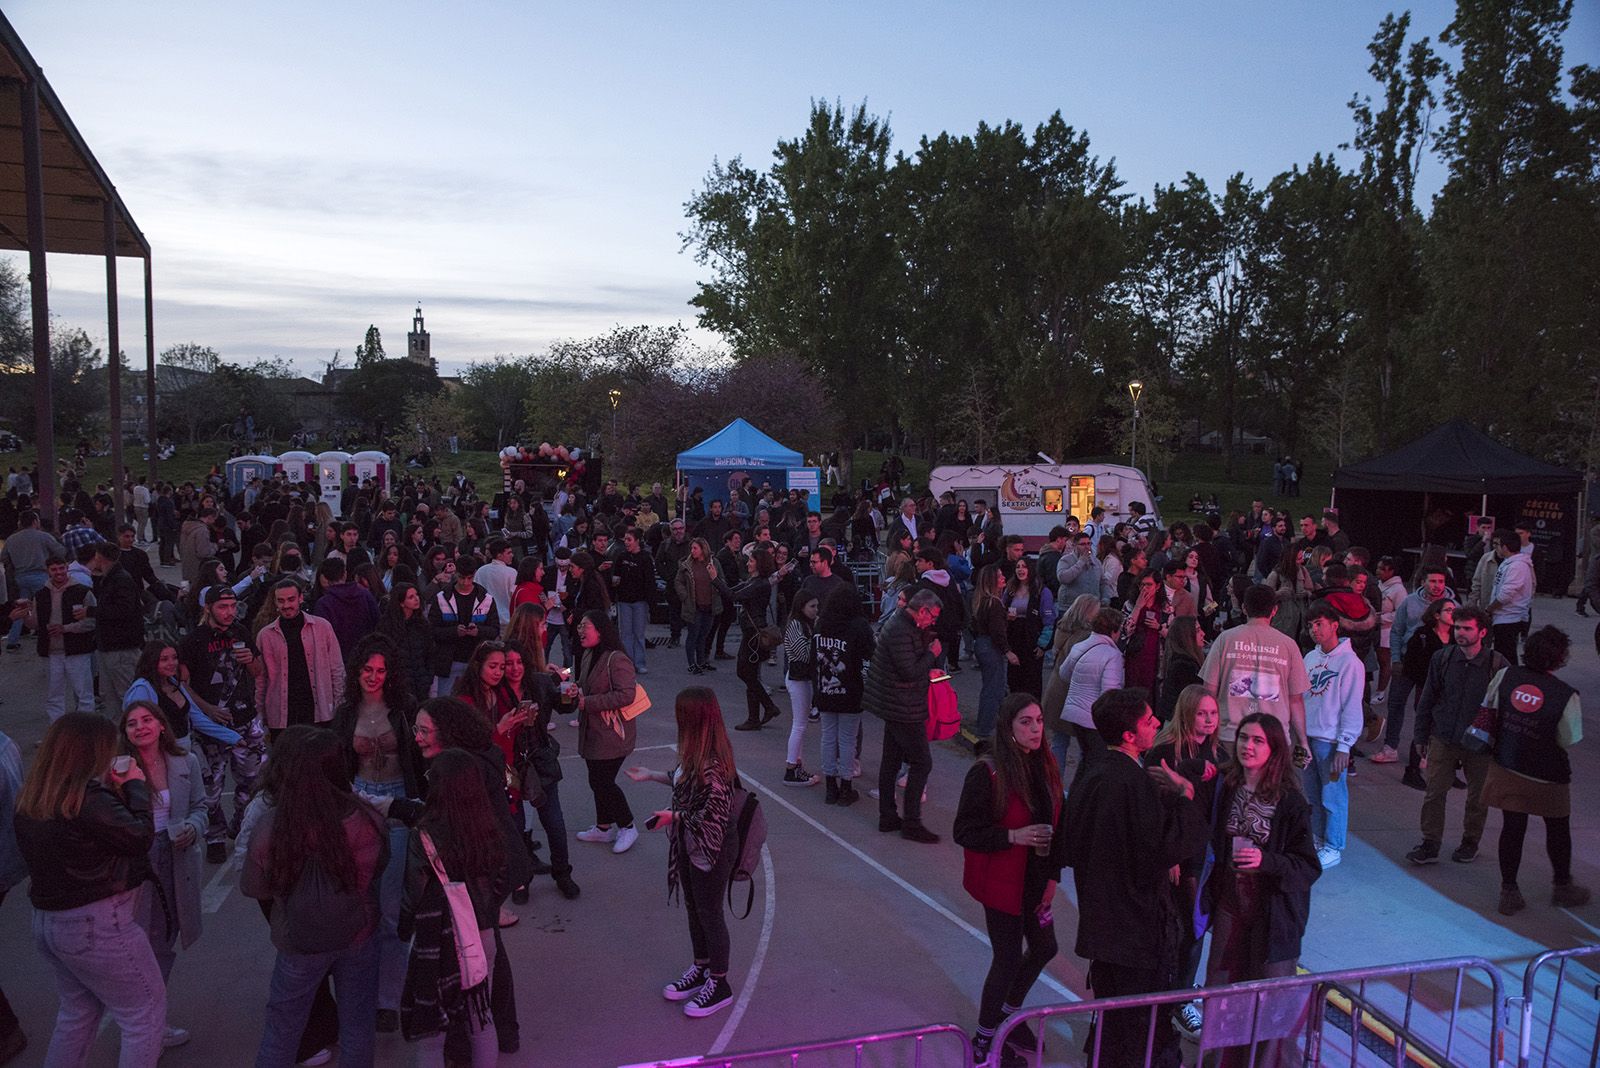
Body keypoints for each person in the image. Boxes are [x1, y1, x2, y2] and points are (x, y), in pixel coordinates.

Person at [1061, 688, 1205, 1068]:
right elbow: (1162, 849)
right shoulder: (1130, 783)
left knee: (1112, 1022)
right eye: (1148, 721)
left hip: (1103, 927)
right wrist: (1185, 797)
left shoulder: (1093, 773)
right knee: (1139, 1028)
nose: (1157, 723)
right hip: (1135, 933)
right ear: (1128, 735)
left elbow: (1072, 843)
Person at [14, 713, 165, 1067]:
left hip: (50, 920)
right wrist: (135, 786)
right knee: (143, 1013)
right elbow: (139, 836)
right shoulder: (88, 799)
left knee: (77, 1012)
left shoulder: (35, 798)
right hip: (97, 922)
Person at [240, 726, 387, 1068]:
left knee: (282, 1031)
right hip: (359, 933)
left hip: (298, 940)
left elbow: (252, 887)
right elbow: (378, 868)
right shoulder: (367, 819)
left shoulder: (272, 825)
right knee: (357, 1026)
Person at [1200, 713, 1321, 1068]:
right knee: (1223, 987)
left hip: (1274, 913)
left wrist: (1266, 861)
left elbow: (1308, 866)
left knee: (1270, 999)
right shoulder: (1227, 785)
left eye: (1257, 741)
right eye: (1243, 738)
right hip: (1231, 901)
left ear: (1274, 749)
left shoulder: (1290, 801)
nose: (1247, 746)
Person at [954, 693, 1066, 1068]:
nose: (1036, 729)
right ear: (1008, 728)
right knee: (1007, 958)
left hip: (1035, 881)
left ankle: (1007, 1016)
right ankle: (984, 1042)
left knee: (1045, 947)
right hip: (1003, 883)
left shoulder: (1047, 766)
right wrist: (1013, 836)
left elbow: (1058, 827)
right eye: (1025, 722)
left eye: (1039, 721)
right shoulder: (988, 773)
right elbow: (965, 831)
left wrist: (1053, 877)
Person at [626, 687, 742, 1019]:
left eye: (681, 713)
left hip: (712, 849)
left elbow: (712, 816)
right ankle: (702, 966)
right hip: (691, 843)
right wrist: (652, 776)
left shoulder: (714, 763)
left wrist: (673, 817)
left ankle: (719, 982)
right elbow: (682, 780)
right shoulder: (695, 752)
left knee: (710, 913)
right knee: (695, 908)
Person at [331, 634, 423, 1033]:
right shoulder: (346, 713)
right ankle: (358, 989)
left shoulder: (404, 708)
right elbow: (338, 768)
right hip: (360, 806)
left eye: (381, 671)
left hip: (399, 805)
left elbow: (422, 753)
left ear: (391, 674)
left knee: (389, 908)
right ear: (356, 672)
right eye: (367, 669)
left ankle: (388, 998)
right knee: (357, 903)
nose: (373, 676)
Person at [398, 749, 509, 1065]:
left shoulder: (424, 834)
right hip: (480, 935)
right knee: (480, 1017)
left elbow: (413, 892)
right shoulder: (489, 827)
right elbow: (502, 878)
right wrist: (487, 910)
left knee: (432, 1033)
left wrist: (405, 927)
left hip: (435, 939)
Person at [1479, 626, 1588, 915]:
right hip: (1548, 774)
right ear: (1559, 658)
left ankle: (1509, 891)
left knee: (1512, 829)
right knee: (1558, 829)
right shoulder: (1565, 695)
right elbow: (1569, 738)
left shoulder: (1506, 675)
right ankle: (1562, 886)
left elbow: (1490, 706)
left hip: (1507, 765)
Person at [119, 701, 207, 1048]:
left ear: (161, 726)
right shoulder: (118, 769)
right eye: (131, 723)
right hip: (137, 864)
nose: (140, 727)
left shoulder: (186, 761)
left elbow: (201, 807)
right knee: (137, 942)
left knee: (165, 938)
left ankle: (151, 1021)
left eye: (146, 720)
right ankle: (142, 1027)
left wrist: (193, 828)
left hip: (176, 858)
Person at [1146, 684, 1224, 1036]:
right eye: (1201, 713)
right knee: (1188, 927)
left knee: (1196, 926)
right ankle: (1177, 999)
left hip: (1206, 854)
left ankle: (1179, 991)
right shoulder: (1164, 753)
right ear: (1186, 714)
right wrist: (1170, 856)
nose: (1208, 720)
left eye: (1213, 713)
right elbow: (1156, 811)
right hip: (1181, 854)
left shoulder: (1218, 752)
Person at [176, 585, 266, 861]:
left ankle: (240, 822)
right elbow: (182, 683)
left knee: (252, 780)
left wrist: (250, 660)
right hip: (212, 728)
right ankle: (214, 835)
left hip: (245, 719)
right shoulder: (193, 641)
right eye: (223, 607)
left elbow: (258, 670)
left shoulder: (241, 632)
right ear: (208, 608)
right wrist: (207, 709)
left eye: (233, 606)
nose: (229, 612)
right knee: (211, 789)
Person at [865, 589, 943, 844]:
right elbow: (909, 671)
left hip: (895, 703)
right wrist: (932, 654)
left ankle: (888, 816)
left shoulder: (900, 624)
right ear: (923, 611)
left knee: (891, 761)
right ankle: (911, 822)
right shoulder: (901, 629)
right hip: (903, 705)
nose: (933, 622)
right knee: (921, 762)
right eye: (933, 616)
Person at [1200, 583, 1311, 762]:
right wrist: (1303, 741)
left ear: (1244, 608)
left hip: (1230, 735)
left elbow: (1209, 691)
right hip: (1273, 737)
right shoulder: (1288, 645)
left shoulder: (1225, 639)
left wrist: (1207, 733)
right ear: (1274, 610)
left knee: (1230, 780)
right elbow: (1296, 700)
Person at [1300, 602, 1365, 870]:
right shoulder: (1310, 658)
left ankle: (1333, 845)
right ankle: (1318, 838)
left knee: (1333, 796)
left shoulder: (1350, 663)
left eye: (1319, 624)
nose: (1314, 630)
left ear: (1334, 625)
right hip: (1307, 738)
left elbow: (1351, 706)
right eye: (1310, 625)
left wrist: (1345, 745)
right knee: (1311, 795)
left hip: (1330, 741)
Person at [571, 610, 641, 854]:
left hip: (613, 734)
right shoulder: (589, 654)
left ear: (600, 630)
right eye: (579, 626)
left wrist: (588, 703)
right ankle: (603, 828)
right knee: (596, 779)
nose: (580, 630)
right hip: (594, 732)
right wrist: (573, 687)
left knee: (603, 781)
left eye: (585, 626)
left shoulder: (617, 659)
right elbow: (585, 684)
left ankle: (628, 825)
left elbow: (627, 694)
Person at [10, 554, 96, 722]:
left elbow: (92, 622)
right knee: (54, 696)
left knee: (84, 694)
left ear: (67, 568)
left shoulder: (83, 592)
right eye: (54, 569)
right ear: (47, 571)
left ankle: (86, 729)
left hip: (77, 651)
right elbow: (35, 624)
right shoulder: (41, 595)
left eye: (61, 568)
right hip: (50, 653)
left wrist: (65, 629)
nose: (58, 572)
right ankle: (56, 730)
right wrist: (25, 615)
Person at [812, 584, 876, 806]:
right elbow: (870, 653)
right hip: (850, 690)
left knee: (828, 736)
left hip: (824, 689)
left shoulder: (821, 624)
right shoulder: (858, 625)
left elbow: (814, 656)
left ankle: (831, 786)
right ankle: (846, 786)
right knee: (848, 740)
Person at [257, 579, 345, 737]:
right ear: (275, 602)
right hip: (281, 713)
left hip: (318, 709)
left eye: (291, 599)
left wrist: (338, 705)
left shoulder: (322, 627)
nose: (286, 605)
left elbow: (337, 669)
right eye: (281, 601)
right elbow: (261, 678)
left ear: (300, 598)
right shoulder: (265, 635)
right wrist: (259, 713)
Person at [1057, 609, 1126, 790]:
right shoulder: (1112, 655)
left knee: (1087, 759)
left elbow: (1063, 674)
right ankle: (1085, 797)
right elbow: (1110, 694)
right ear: (1113, 631)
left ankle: (1076, 795)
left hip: (1074, 712)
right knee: (1095, 763)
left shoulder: (1080, 646)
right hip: (1093, 718)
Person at [726, 548, 791, 733]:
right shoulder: (753, 581)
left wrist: (714, 579)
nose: (748, 563)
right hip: (752, 633)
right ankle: (755, 716)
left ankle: (767, 708)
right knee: (749, 675)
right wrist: (715, 581)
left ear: (759, 564)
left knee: (745, 673)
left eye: (751, 561)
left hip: (754, 635)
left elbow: (733, 596)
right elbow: (731, 591)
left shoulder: (759, 584)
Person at [429, 556, 500, 695]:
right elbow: (431, 630)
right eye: (462, 578)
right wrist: (454, 632)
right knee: (446, 701)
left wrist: (478, 631)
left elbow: (494, 629)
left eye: (469, 578)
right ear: (456, 574)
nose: (465, 582)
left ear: (474, 575)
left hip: (476, 660)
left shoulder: (486, 599)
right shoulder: (442, 598)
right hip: (449, 661)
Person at [87, 542, 145, 708]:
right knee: (110, 694)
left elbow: (123, 610)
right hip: (111, 645)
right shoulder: (112, 578)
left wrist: (92, 611)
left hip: (120, 647)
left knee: (126, 694)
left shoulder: (120, 580)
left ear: (100, 557)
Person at [779, 590, 822, 785]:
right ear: (801, 606)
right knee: (799, 725)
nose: (816, 610)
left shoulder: (804, 624)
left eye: (816, 606)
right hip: (798, 679)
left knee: (800, 725)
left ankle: (796, 765)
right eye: (812, 606)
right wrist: (817, 639)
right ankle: (791, 769)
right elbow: (803, 654)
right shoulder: (796, 625)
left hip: (802, 678)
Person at [970, 565, 1012, 745]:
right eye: (1000, 576)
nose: (1003, 578)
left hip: (981, 643)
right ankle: (986, 728)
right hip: (990, 646)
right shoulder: (994, 603)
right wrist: (1007, 651)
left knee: (991, 687)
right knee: (994, 688)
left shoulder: (981, 601)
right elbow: (997, 632)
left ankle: (987, 723)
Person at [376, 583, 435, 703]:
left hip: (421, 682)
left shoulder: (422, 624)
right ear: (401, 602)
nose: (416, 599)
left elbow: (430, 652)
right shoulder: (387, 626)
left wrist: (428, 677)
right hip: (399, 684)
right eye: (411, 597)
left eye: (416, 595)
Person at [1004, 558, 1051, 700]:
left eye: (1024, 566)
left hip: (1032, 641)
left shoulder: (1042, 591)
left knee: (1032, 682)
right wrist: (1006, 616)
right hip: (1014, 640)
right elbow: (1002, 610)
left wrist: (1043, 645)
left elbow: (1049, 621)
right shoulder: (1010, 590)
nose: (1020, 569)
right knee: (1014, 680)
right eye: (1018, 566)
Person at [1486, 528, 1535, 666]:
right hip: (1502, 617)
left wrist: (1489, 609)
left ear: (1505, 547)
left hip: (1509, 618)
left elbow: (1506, 595)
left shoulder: (1518, 566)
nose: (1496, 549)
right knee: (1502, 653)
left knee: (1506, 656)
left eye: (1498, 545)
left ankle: (1509, 676)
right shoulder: (1509, 563)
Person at [674, 537, 723, 675]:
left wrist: (719, 589)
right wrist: (685, 596)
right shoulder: (687, 565)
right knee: (693, 635)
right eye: (692, 548)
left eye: (695, 548)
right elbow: (678, 581)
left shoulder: (714, 563)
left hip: (709, 605)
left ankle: (701, 662)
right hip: (694, 606)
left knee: (703, 635)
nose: (692, 551)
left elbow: (721, 580)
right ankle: (692, 664)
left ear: (703, 549)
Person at [614, 527, 657, 675]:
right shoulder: (621, 557)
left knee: (639, 633)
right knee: (625, 634)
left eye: (629, 539)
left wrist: (651, 602)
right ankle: (628, 663)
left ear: (637, 541)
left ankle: (640, 663)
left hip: (640, 601)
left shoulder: (645, 558)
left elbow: (650, 581)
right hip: (624, 601)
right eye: (625, 539)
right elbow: (616, 575)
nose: (626, 542)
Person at [1157, 616, 1206, 722]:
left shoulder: (1181, 662)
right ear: (1186, 636)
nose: (1203, 633)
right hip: (1180, 723)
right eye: (1197, 631)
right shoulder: (1183, 666)